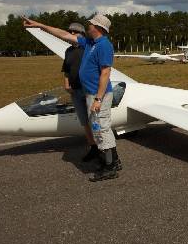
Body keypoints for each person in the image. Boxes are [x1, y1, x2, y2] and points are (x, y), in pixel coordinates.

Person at [23, 14, 121, 180]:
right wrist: (39, 25)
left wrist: (98, 99)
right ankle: (113, 161)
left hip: (99, 95)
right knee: (98, 128)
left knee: (101, 129)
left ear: (97, 28)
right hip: (91, 94)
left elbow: (105, 73)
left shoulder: (104, 45)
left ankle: (110, 167)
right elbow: (63, 34)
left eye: (90, 24)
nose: (87, 26)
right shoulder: (90, 42)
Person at [62, 22, 99, 162]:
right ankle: (93, 147)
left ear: (82, 35)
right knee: (84, 121)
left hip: (89, 90)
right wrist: (67, 85)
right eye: (69, 31)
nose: (71, 34)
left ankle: (103, 148)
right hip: (75, 91)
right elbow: (66, 69)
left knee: (94, 120)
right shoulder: (68, 51)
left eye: (74, 32)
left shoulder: (88, 48)